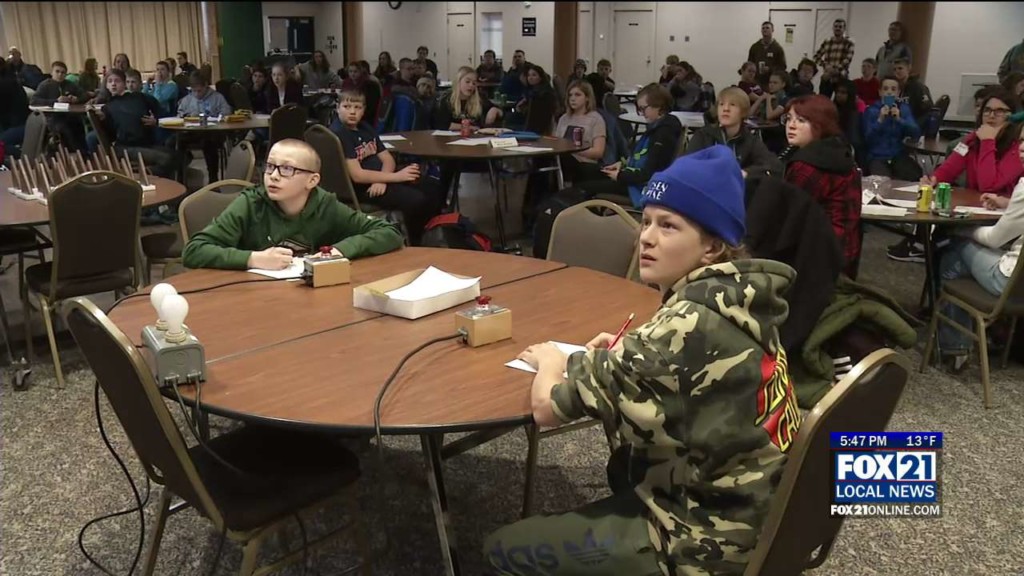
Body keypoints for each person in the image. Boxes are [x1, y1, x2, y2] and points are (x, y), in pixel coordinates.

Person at [489, 145, 801, 576]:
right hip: (764, 512)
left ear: (712, 247)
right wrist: (627, 357)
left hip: (708, 540)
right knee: (624, 467)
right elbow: (682, 369)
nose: (647, 238)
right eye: (647, 221)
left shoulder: (677, 330)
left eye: (668, 226)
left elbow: (547, 409)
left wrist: (550, 360)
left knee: (503, 548)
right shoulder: (741, 300)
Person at [183, 139, 404, 270]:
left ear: (312, 181)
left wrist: (338, 251)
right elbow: (194, 251)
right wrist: (252, 259)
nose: (273, 176)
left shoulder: (325, 205)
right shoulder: (250, 204)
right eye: (270, 166)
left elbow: (389, 233)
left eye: (287, 169)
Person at [935, 138, 1024, 371]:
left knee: (952, 252)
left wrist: (964, 230)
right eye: (1022, 140)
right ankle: (978, 337)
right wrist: (1006, 202)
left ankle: (956, 347)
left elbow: (994, 239)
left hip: (1007, 281)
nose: (1021, 147)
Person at [332, 90, 440, 247]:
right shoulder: (340, 133)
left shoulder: (365, 128)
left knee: (432, 187)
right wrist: (397, 177)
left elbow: (388, 159)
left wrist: (382, 180)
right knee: (415, 200)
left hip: (380, 180)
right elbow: (357, 175)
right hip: (362, 188)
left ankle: (432, 233)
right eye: (347, 107)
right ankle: (416, 242)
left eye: (357, 107)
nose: (352, 112)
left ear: (364, 109)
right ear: (337, 108)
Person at [780, 94, 862, 277]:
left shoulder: (806, 166)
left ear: (820, 125)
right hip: (845, 251)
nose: (791, 125)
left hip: (817, 258)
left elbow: (788, 219)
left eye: (801, 120)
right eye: (789, 118)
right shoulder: (839, 150)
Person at [577, 83, 682, 206]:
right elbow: (643, 158)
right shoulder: (660, 128)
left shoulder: (663, 134)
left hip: (638, 187)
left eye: (643, 108)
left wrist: (620, 175)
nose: (641, 113)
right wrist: (623, 165)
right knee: (586, 170)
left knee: (583, 186)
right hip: (634, 178)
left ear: (658, 106)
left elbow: (649, 174)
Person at [92, 69, 178, 178]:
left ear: (124, 83)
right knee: (167, 159)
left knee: (182, 156)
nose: (113, 84)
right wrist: (103, 120)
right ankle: (144, 174)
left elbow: (163, 113)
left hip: (146, 144)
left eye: (117, 81)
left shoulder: (140, 97)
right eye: (110, 81)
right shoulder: (106, 108)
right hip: (124, 147)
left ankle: (144, 172)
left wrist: (156, 121)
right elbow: (109, 136)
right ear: (106, 85)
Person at [687, 86, 783, 180]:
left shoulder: (750, 140)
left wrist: (745, 173)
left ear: (743, 111)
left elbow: (774, 165)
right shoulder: (703, 135)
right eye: (721, 104)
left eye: (732, 105)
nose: (726, 109)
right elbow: (687, 165)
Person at [176, 71, 233, 181]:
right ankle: (181, 178)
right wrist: (187, 116)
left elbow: (227, 112)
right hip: (193, 132)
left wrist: (217, 117)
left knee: (209, 142)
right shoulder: (187, 99)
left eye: (199, 91)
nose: (197, 94)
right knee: (177, 141)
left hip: (213, 132)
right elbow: (180, 114)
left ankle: (213, 178)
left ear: (206, 85)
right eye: (194, 91)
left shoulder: (217, 97)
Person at [863, 76, 920, 177]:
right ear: (880, 92)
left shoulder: (903, 109)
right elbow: (867, 139)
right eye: (885, 89)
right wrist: (880, 120)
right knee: (882, 180)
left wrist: (899, 120)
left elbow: (916, 132)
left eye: (893, 89)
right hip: (877, 156)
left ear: (898, 93)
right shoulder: (871, 111)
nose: (889, 92)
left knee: (913, 175)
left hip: (897, 155)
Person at [554, 80, 607, 183]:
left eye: (577, 95)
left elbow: (598, 152)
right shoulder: (564, 118)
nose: (572, 99)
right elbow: (557, 143)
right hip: (562, 160)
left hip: (584, 163)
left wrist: (572, 150)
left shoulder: (596, 119)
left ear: (587, 98)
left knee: (562, 160)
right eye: (570, 95)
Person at [31, 60, 88, 151]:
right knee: (66, 129)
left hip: (70, 115)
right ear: (52, 72)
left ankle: (83, 153)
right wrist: (55, 101)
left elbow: (84, 95)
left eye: (63, 72)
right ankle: (72, 151)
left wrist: (76, 99)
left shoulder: (69, 84)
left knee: (79, 126)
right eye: (57, 72)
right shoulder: (45, 85)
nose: (60, 74)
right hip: (53, 118)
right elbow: (34, 101)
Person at [433, 66, 501, 130]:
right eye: (467, 82)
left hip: (475, 136)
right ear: (458, 82)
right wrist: (468, 127)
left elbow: (502, 112)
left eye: (474, 83)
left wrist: (494, 110)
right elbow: (442, 124)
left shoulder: (479, 98)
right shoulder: (447, 99)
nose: (471, 85)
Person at [813, 18, 855, 98]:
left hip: (841, 77)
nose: (837, 28)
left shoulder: (849, 42)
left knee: (840, 102)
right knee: (823, 100)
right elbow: (816, 57)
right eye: (836, 26)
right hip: (827, 78)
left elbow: (847, 60)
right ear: (832, 28)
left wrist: (833, 70)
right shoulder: (827, 42)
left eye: (840, 27)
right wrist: (825, 65)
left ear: (844, 29)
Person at [892, 58, 933, 132]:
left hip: (912, 127)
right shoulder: (893, 87)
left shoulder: (919, 88)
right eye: (894, 69)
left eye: (900, 68)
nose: (897, 71)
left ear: (908, 69)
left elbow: (928, 112)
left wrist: (914, 127)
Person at [0, 58, 30, 154]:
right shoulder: (12, 80)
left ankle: (24, 156)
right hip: (22, 124)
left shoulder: (5, 83)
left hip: (18, 126)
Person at [748, 21, 786, 89]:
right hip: (756, 80)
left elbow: (782, 66)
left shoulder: (777, 48)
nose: (765, 30)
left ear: (772, 30)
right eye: (763, 28)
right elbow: (750, 63)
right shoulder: (755, 47)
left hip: (771, 82)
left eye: (767, 28)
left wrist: (770, 69)